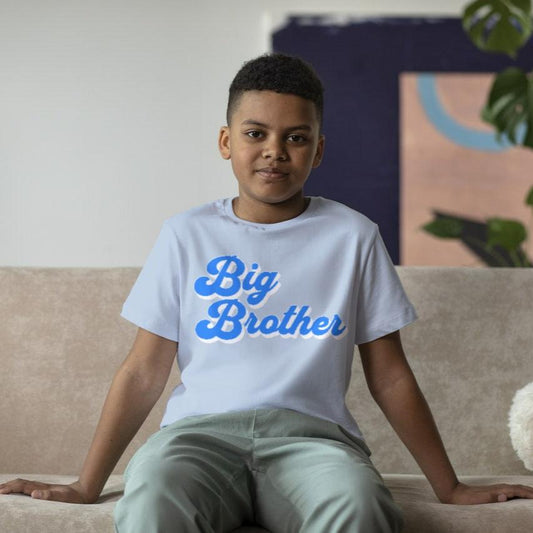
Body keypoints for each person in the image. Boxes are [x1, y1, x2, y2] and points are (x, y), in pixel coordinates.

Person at [1, 53, 533, 533]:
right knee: (153, 498)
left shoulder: (353, 237)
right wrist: (86, 484)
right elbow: (143, 372)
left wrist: (449, 486)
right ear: (226, 141)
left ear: (318, 150)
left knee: (358, 504)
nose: (274, 152)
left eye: (296, 138)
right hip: (196, 442)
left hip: (312, 443)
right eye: (255, 134)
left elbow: (389, 374)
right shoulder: (185, 235)